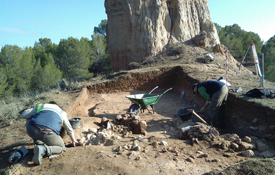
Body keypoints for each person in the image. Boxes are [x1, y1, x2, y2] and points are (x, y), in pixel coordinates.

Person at [20, 101, 78, 165]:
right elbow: (69, 128)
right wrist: (73, 140)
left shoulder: (42, 106)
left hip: (32, 130)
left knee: (30, 119)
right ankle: (43, 149)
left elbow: (24, 115)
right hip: (47, 133)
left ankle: (39, 143)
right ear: (57, 106)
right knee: (62, 148)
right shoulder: (62, 112)